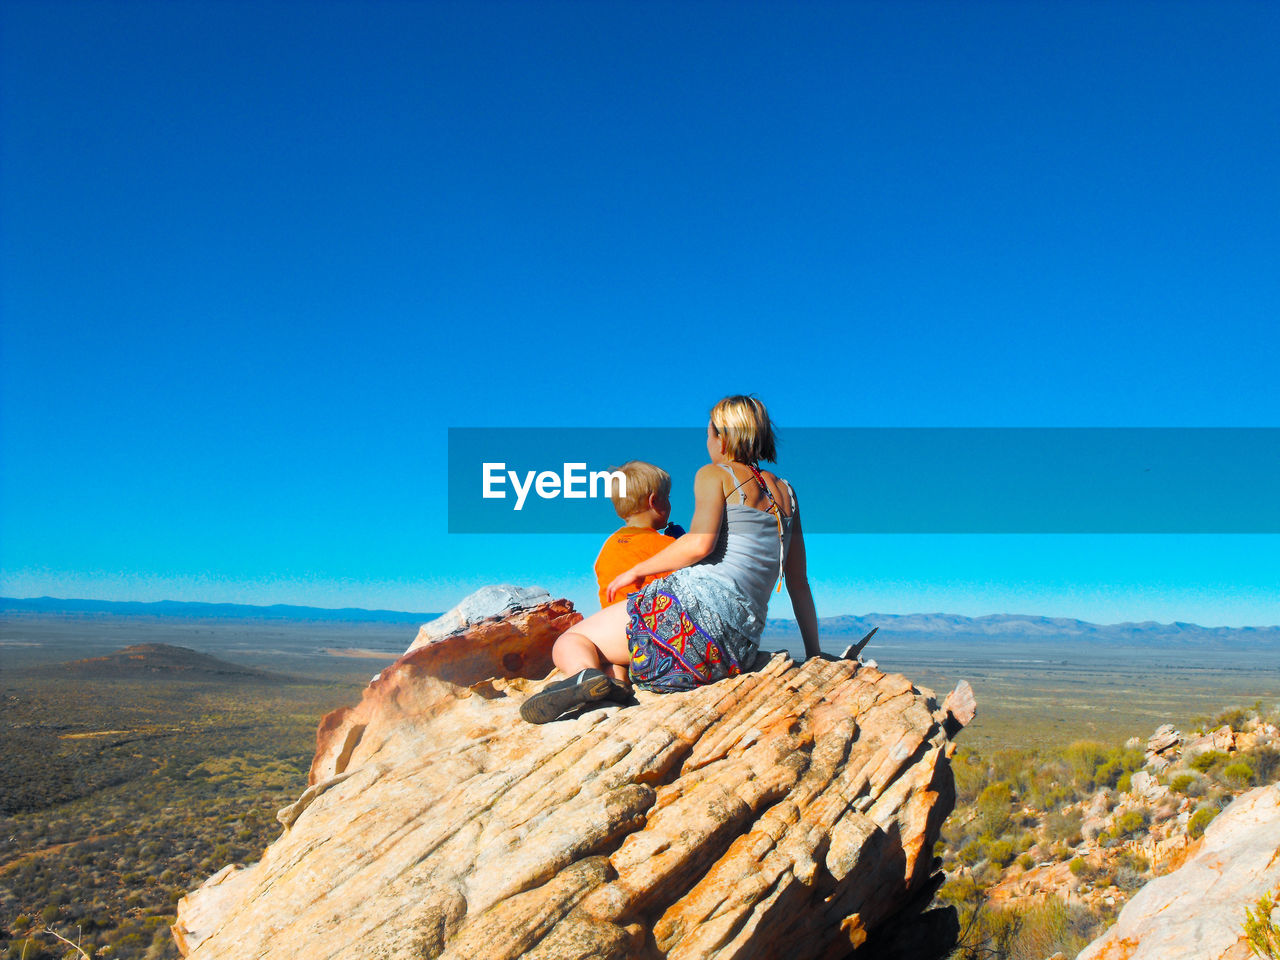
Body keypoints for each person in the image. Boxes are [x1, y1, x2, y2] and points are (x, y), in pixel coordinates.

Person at [520, 395, 820, 724]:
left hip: (689, 623)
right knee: (616, 649)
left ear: (723, 436)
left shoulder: (714, 474)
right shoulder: (788, 493)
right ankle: (611, 685)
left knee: (572, 640)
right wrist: (815, 655)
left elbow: (698, 545)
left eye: (709, 433)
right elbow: (798, 583)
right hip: (733, 652)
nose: (708, 442)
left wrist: (635, 571)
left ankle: (583, 676)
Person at [593, 460, 679, 611]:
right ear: (653, 501)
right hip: (649, 628)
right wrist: (680, 543)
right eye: (667, 497)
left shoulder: (609, 545)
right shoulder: (665, 545)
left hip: (611, 625)